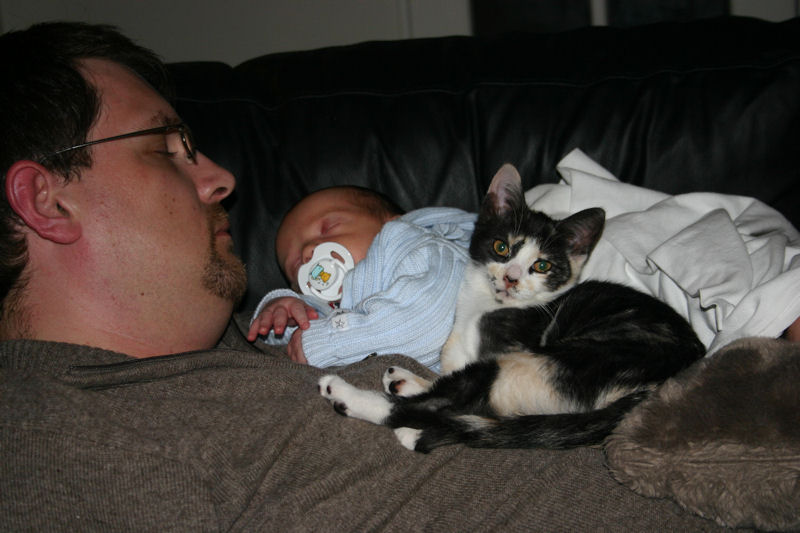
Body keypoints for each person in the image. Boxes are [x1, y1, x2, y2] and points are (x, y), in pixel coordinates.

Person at [247, 185, 475, 371]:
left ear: (392, 222)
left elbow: (429, 323)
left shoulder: (415, 247)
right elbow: (302, 336)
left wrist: (329, 342)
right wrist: (285, 311)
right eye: (296, 265)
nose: (308, 253)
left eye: (327, 228)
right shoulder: (333, 311)